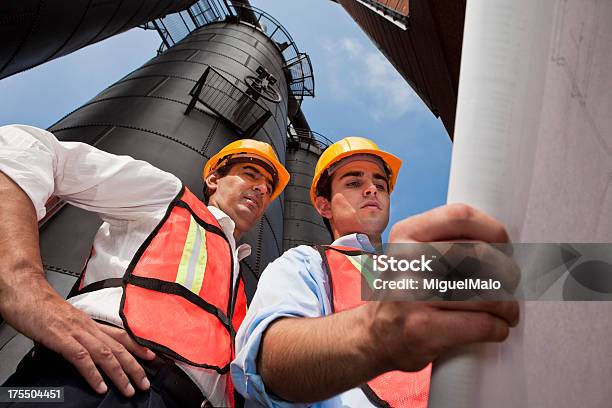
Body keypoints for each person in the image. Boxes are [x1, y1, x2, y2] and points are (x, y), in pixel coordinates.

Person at [0, 124, 289, 408]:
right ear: (214, 179)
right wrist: (22, 283)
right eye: (250, 173)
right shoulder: (169, 198)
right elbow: (26, 145)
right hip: (95, 382)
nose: (261, 188)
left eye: (268, 187)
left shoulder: (240, 285)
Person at [231, 137, 520, 407]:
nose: (372, 189)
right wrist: (377, 331)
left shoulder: (417, 270)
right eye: (354, 182)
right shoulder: (305, 262)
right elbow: (269, 363)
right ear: (324, 205)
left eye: (380, 185)